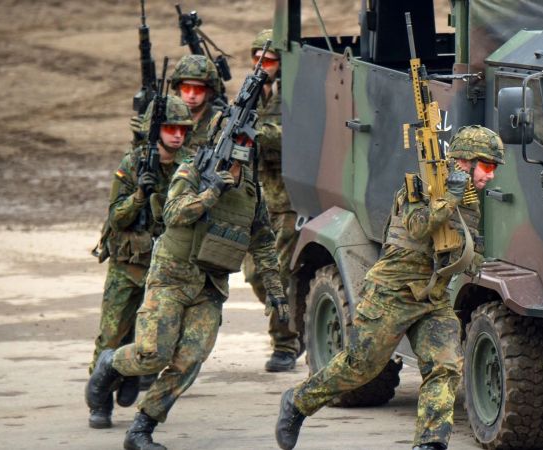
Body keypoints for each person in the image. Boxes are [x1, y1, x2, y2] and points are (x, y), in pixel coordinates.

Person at [275, 126, 507, 450]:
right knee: (361, 368)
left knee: (444, 366)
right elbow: (418, 226)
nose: (491, 176)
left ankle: (430, 443)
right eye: (488, 166)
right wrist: (449, 199)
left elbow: (460, 250)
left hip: (431, 298)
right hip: (392, 294)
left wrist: (473, 257)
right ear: (465, 162)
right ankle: (298, 402)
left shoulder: (468, 203)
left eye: (494, 168)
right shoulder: (421, 186)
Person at [85, 122, 291, 449]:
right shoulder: (193, 170)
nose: (242, 147)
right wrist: (212, 193)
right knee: (152, 354)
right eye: (236, 140)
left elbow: (263, 243)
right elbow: (173, 213)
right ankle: (110, 363)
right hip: (171, 277)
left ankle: (142, 428)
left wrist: (277, 293)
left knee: (190, 360)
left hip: (209, 287)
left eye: (247, 142)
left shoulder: (253, 190)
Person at [87, 95, 194, 429]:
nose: (177, 135)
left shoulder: (189, 165)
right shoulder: (132, 163)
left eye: (182, 129)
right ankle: (100, 401)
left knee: (154, 339)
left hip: (164, 267)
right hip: (127, 264)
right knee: (111, 333)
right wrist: (138, 196)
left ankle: (130, 374)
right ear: (155, 130)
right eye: (169, 128)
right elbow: (116, 218)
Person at [241, 28, 302, 373]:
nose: (263, 66)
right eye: (258, 59)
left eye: (271, 60)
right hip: (256, 199)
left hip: (289, 200)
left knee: (278, 273)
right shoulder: (250, 94)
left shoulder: (293, 96)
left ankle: (286, 343)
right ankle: (295, 323)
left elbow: (296, 136)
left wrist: (258, 134)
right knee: (254, 274)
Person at [130, 54, 224, 153]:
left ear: (209, 91)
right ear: (178, 88)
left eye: (198, 89)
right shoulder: (162, 115)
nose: (191, 95)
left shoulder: (220, 122)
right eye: (186, 88)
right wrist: (141, 141)